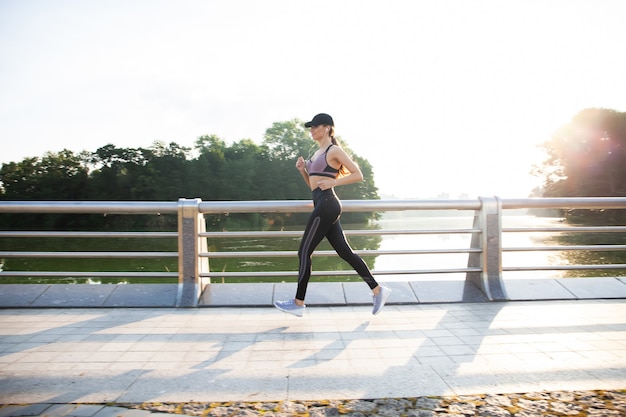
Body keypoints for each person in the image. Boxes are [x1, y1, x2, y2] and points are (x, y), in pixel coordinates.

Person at [274, 113, 391, 317]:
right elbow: (313, 185)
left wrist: (334, 182)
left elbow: (357, 174)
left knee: (303, 252)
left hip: (328, 204)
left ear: (327, 128)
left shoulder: (333, 150)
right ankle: (378, 290)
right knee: (345, 253)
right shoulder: (317, 152)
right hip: (322, 202)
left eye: (315, 126)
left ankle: (298, 302)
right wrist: (303, 170)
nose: (311, 130)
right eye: (310, 127)